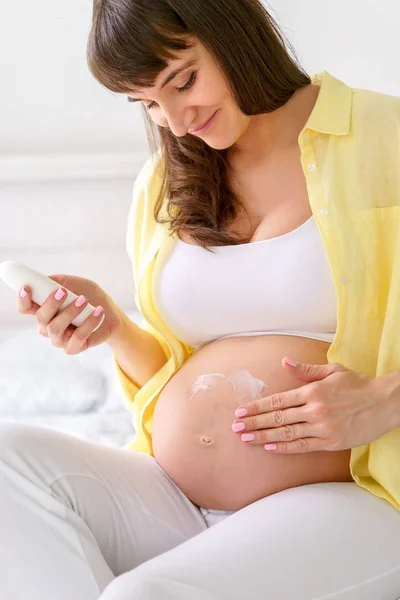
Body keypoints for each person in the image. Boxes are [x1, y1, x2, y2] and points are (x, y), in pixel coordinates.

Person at [1, 0, 400, 598]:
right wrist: (112, 326)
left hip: (357, 495)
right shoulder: (163, 184)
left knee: (142, 595)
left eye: (182, 81)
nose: (177, 123)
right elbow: (178, 372)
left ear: (233, 31)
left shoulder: (385, 138)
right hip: (173, 496)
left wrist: (387, 401)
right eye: (148, 104)